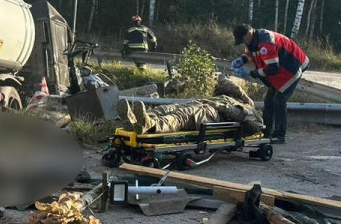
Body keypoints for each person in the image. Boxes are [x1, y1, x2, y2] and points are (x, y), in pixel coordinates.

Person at [231, 24, 308, 144]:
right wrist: (243, 59)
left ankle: (279, 135)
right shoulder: (252, 40)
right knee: (269, 101)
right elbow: (253, 54)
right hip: (281, 69)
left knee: (279, 100)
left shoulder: (266, 42)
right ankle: (266, 132)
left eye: (243, 40)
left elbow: (272, 68)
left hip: (292, 68)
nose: (243, 44)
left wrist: (253, 73)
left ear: (248, 33)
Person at [118, 76, 263, 135]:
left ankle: (151, 124)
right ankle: (135, 121)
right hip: (203, 104)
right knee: (168, 108)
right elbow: (224, 81)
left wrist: (220, 106)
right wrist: (245, 95)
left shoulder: (253, 113)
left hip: (213, 115)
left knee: (181, 116)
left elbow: (239, 115)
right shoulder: (235, 97)